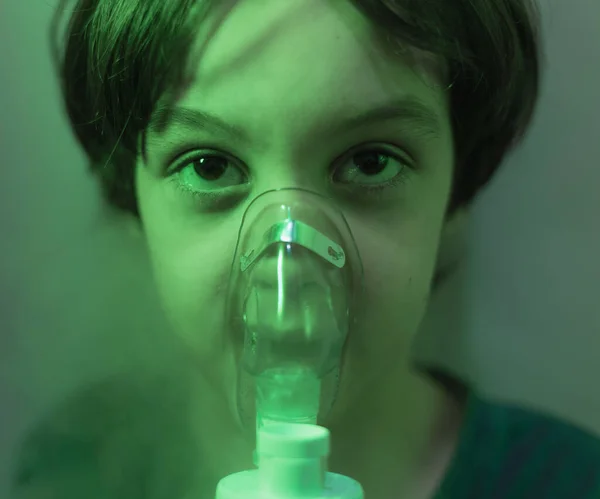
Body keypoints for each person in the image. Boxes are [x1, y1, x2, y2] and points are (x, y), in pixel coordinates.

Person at [10, 0, 600, 498]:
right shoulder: (73, 468)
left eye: (371, 161)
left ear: (457, 191)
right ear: (133, 205)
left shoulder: (567, 483)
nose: (286, 268)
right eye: (210, 166)